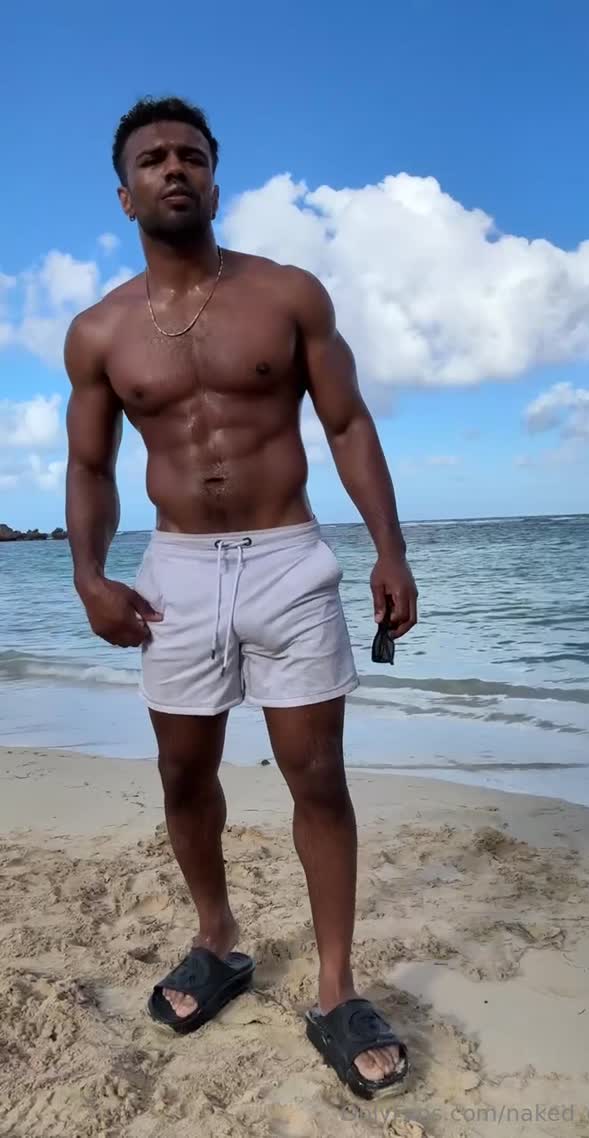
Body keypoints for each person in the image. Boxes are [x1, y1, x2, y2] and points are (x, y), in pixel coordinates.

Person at [65, 97, 418, 1100]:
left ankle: (337, 988)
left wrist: (390, 549)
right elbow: (89, 467)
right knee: (184, 773)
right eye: (152, 159)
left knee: (318, 776)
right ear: (124, 193)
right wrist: (89, 574)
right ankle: (217, 941)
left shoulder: (287, 295)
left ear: (215, 181)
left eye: (192, 156)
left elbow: (347, 425)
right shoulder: (99, 331)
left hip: (287, 561)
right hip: (174, 569)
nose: (173, 169)